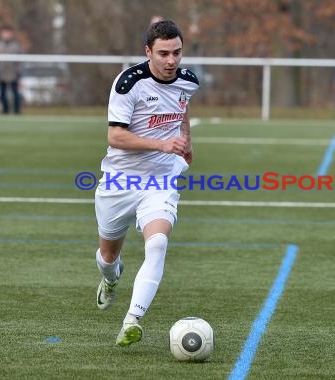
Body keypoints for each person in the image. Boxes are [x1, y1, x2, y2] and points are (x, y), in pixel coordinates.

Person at [94, 19, 199, 347]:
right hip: (119, 180)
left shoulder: (188, 80)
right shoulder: (128, 83)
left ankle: (132, 319)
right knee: (108, 255)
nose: (171, 61)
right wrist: (161, 144)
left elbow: (182, 108)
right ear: (148, 52)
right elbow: (115, 136)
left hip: (161, 179)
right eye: (164, 53)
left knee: (157, 244)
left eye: (177, 53)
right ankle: (110, 280)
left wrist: (186, 140)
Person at [0, 25, 24, 114]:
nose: (6, 35)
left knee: (15, 93)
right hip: (1, 74)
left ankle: (17, 111)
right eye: (4, 33)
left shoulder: (17, 46)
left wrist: (18, 71)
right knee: (2, 94)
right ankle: (5, 111)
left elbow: (21, 60)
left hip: (13, 73)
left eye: (7, 33)